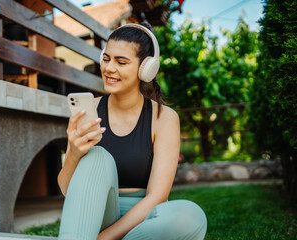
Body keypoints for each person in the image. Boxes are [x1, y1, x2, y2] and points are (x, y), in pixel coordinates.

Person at [57, 23, 207, 240]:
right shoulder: (87, 110)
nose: (109, 68)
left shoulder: (164, 119)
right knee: (97, 157)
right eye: (106, 58)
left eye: (121, 62)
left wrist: (104, 239)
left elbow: (157, 198)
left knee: (191, 216)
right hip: (96, 215)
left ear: (146, 69)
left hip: (142, 220)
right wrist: (73, 152)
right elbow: (65, 190)